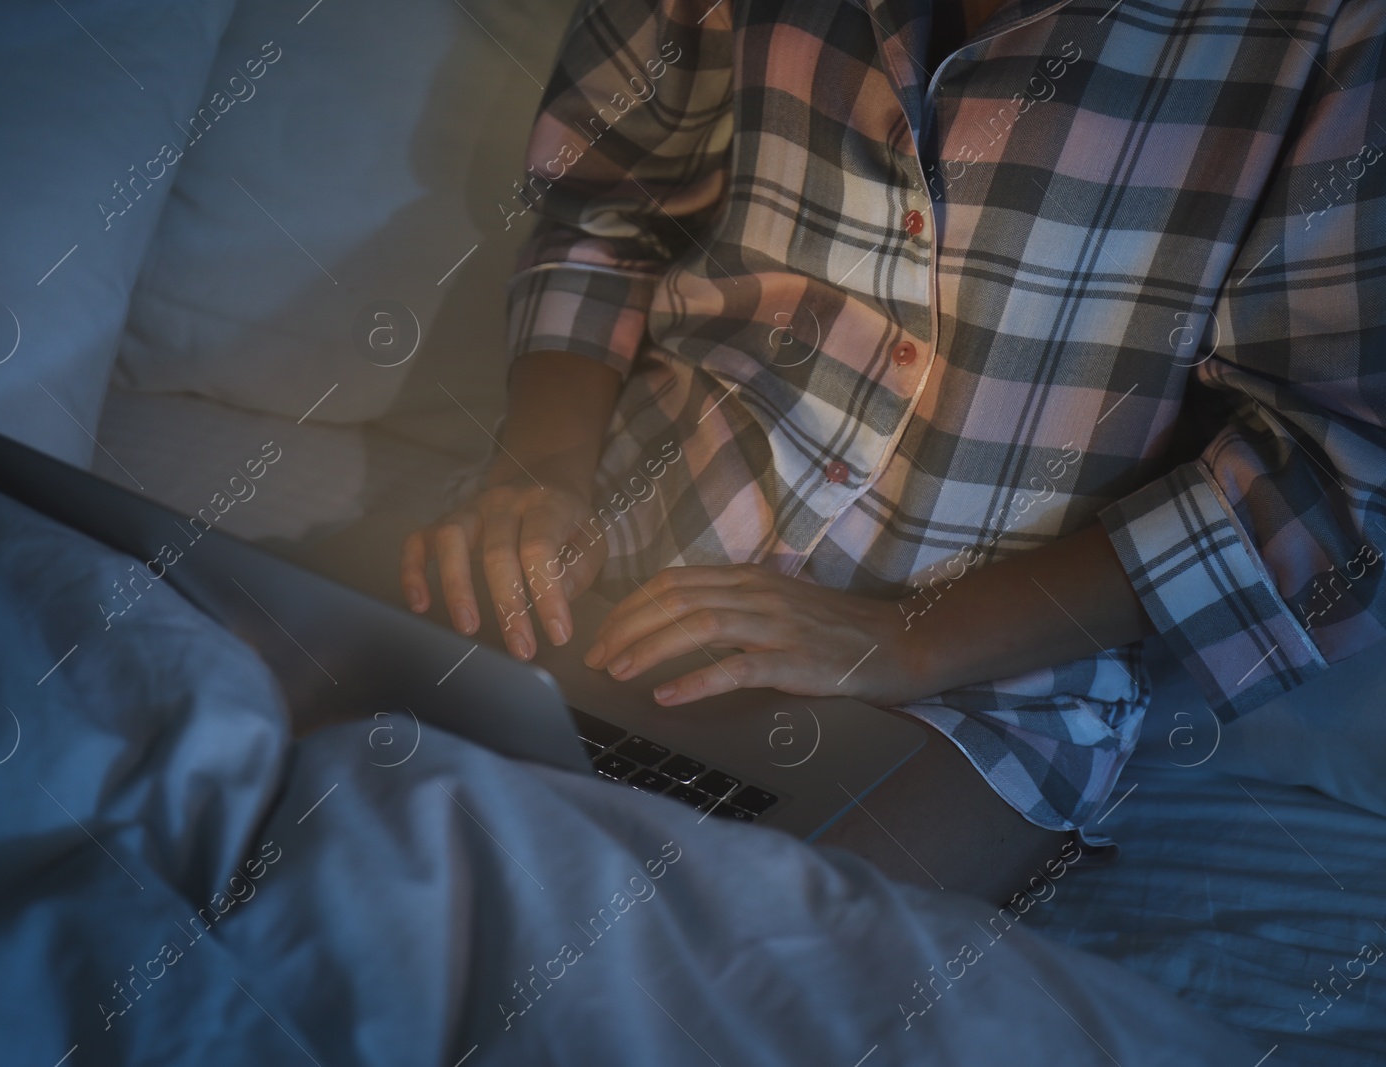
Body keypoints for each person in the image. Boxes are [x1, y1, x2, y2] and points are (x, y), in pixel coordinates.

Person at [399, 0, 1386, 900]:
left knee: (704, 955)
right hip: (616, 547)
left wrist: (903, 639)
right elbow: (604, 202)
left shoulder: (1330, 30)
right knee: (339, 805)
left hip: (982, 684)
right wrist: (542, 470)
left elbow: (1336, 478)